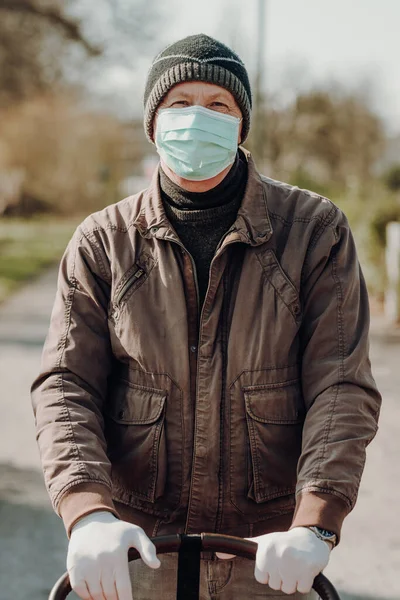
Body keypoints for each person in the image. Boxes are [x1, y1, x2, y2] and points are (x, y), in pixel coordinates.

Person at [31, 34, 381, 600]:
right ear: (152, 122)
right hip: (137, 549)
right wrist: (87, 511)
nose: (198, 118)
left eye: (219, 105)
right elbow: (66, 384)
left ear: (242, 124)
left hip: (268, 555)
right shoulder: (103, 242)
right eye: (179, 103)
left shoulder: (315, 231)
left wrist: (315, 522)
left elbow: (341, 384)